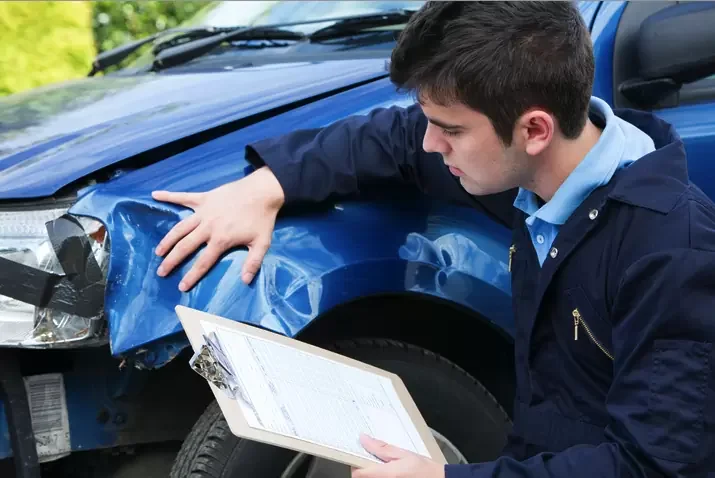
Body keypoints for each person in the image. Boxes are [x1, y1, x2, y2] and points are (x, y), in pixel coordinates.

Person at [152, 1, 715, 476]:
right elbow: (393, 138)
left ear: (535, 129)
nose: (429, 145)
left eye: (449, 130)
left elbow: (654, 465)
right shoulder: (528, 166)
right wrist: (268, 184)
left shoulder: (671, 249)